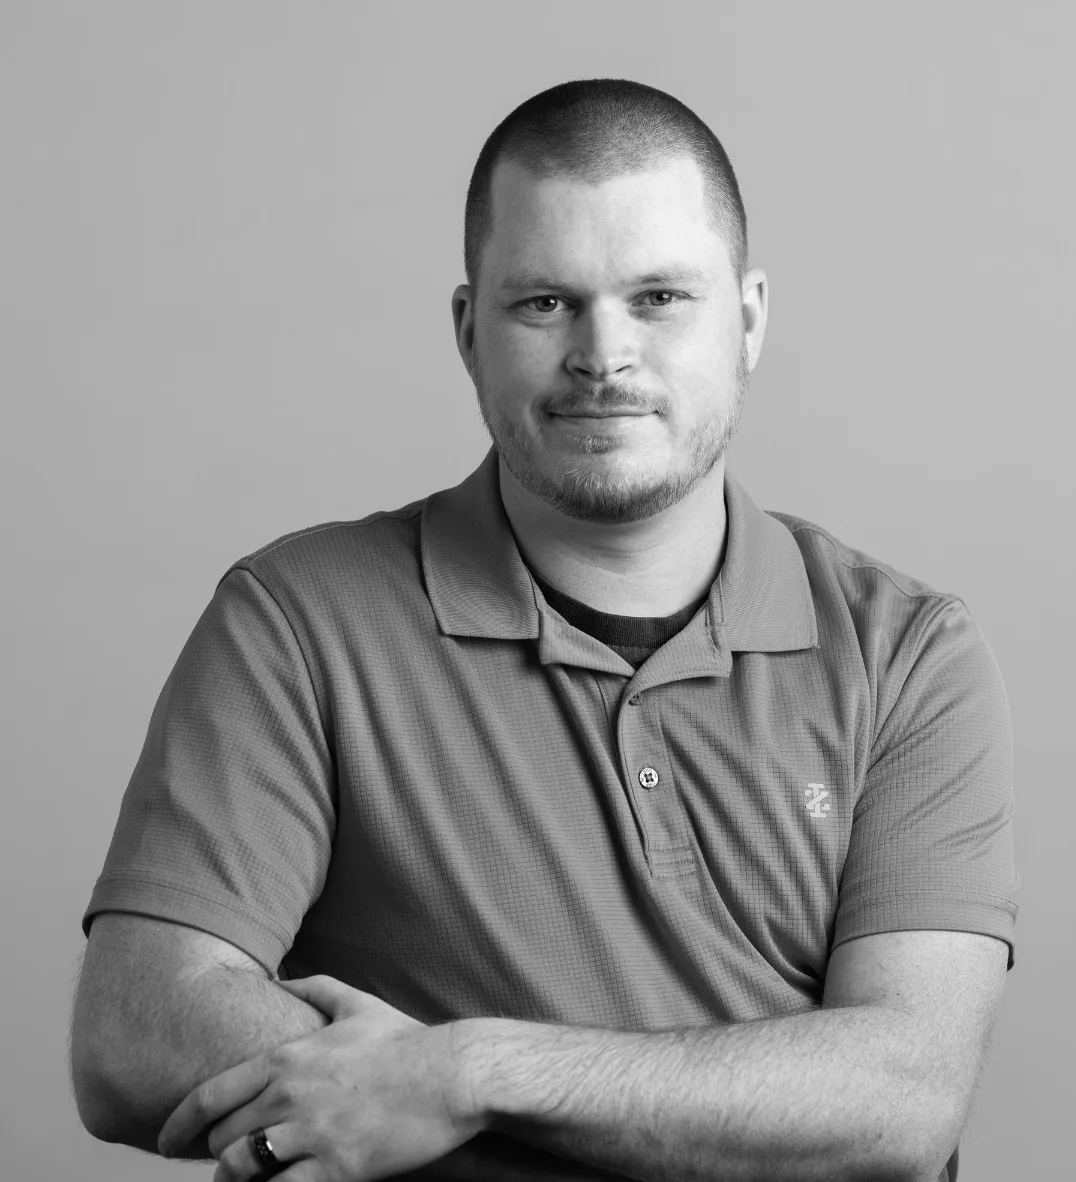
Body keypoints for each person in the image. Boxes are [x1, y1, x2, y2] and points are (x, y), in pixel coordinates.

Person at [70, 79, 1017, 1182]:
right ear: (471, 331)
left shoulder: (908, 656)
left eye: (658, 297)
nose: (602, 355)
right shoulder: (296, 621)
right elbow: (135, 1030)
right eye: (543, 304)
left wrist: (465, 1076)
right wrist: (711, 1116)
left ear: (748, 318)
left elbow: (899, 1100)